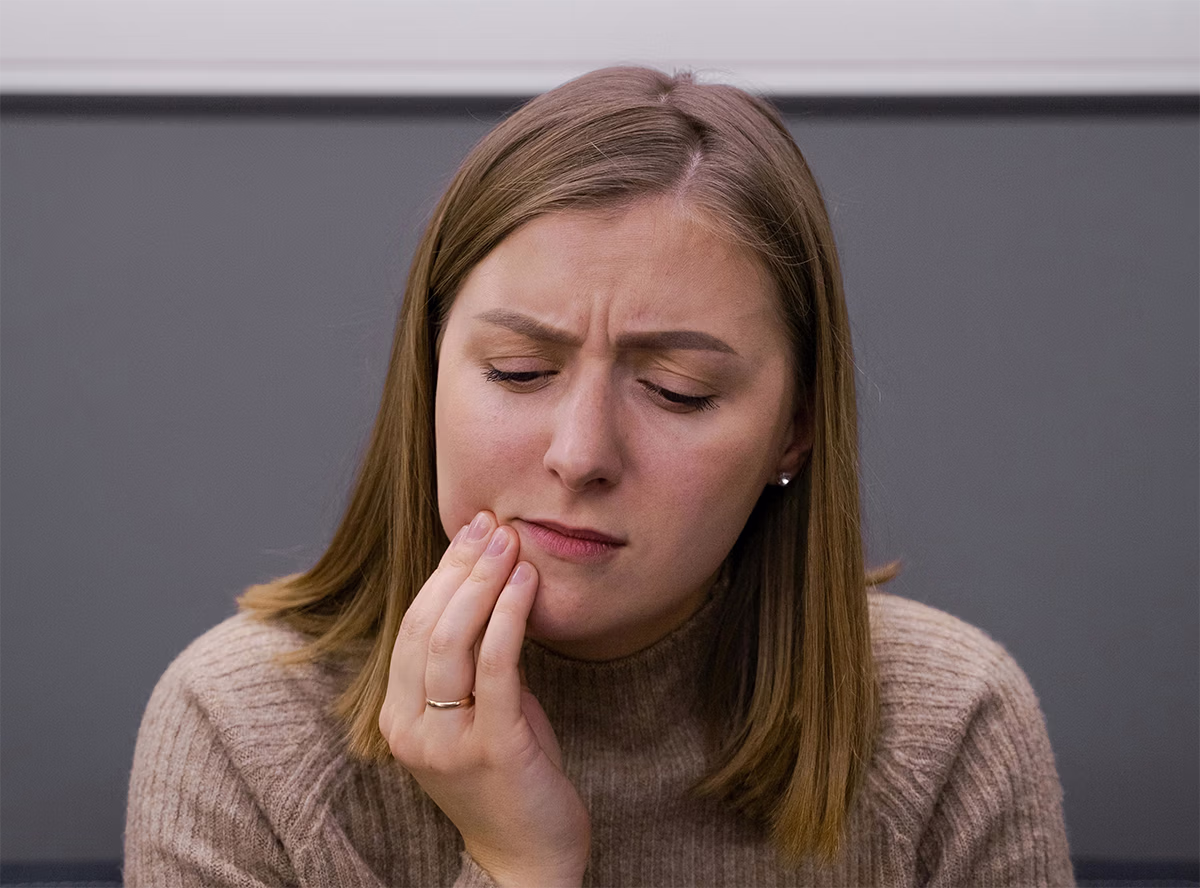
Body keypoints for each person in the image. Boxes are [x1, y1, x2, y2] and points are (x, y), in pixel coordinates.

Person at [124, 66, 1075, 887]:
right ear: (427, 380)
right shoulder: (238, 730)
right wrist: (517, 866)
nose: (579, 454)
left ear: (794, 433)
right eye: (519, 373)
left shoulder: (950, 723)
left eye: (678, 390)